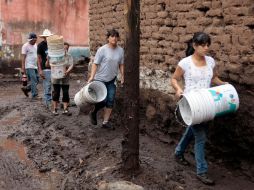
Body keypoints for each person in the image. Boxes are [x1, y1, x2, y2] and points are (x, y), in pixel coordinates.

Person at [171, 32, 228, 185]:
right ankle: (201, 171)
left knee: (193, 130)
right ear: (195, 46)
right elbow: (174, 79)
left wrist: (223, 84)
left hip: (207, 103)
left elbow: (213, 78)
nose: (206, 48)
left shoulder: (210, 61)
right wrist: (178, 89)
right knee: (201, 136)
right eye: (203, 45)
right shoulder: (185, 63)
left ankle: (178, 152)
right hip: (192, 104)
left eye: (208, 45)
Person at [88, 29, 124, 129]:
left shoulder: (120, 50)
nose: (114, 38)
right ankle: (94, 112)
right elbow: (95, 64)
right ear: (108, 38)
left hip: (112, 80)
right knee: (102, 101)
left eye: (116, 36)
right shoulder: (102, 50)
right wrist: (92, 76)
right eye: (112, 36)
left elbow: (121, 64)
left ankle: (105, 122)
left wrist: (123, 76)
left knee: (110, 100)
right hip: (100, 80)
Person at [51, 42, 74, 116]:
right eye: (63, 47)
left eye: (66, 48)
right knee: (56, 93)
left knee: (65, 93)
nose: (65, 49)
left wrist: (67, 71)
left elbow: (71, 65)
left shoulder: (69, 56)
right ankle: (55, 109)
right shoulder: (55, 56)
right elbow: (50, 64)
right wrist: (48, 60)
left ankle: (65, 109)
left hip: (65, 77)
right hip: (56, 78)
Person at [37, 29, 54, 108]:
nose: (47, 38)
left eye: (48, 37)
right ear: (43, 37)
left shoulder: (54, 44)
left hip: (54, 68)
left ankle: (54, 102)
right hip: (45, 68)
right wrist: (40, 70)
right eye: (46, 37)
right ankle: (48, 103)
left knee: (55, 86)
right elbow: (39, 58)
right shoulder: (40, 45)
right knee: (47, 86)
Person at [21, 32, 39, 99]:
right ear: (30, 40)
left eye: (35, 40)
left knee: (37, 80)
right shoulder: (25, 46)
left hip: (35, 66)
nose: (34, 41)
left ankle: (26, 89)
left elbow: (36, 55)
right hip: (29, 66)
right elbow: (23, 57)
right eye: (33, 40)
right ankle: (35, 95)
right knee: (33, 80)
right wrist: (23, 68)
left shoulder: (35, 45)